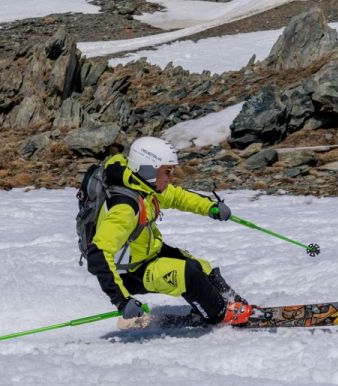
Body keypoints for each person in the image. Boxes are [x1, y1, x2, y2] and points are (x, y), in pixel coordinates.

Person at [83, 136, 255, 328]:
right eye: (167, 172)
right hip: (132, 272)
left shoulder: (142, 185)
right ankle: (220, 315)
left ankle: (233, 304)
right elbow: (97, 255)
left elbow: (176, 196)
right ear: (148, 170)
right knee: (187, 275)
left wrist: (210, 207)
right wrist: (122, 301)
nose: (171, 177)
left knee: (201, 267)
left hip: (148, 252)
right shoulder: (125, 208)